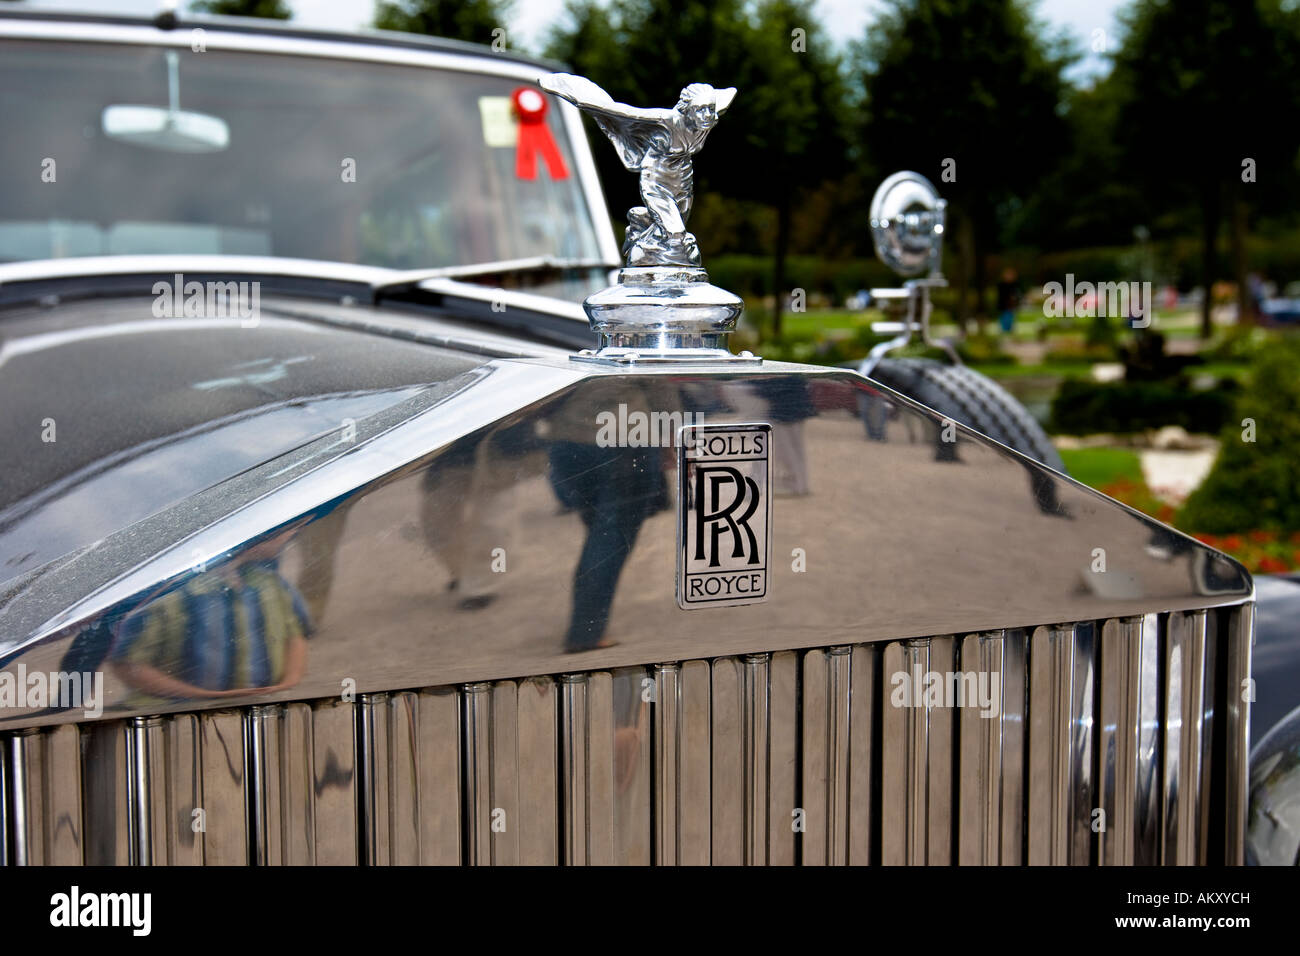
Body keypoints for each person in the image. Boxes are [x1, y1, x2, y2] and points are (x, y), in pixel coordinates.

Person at [996, 268, 1021, 333]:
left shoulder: (1014, 285)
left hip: (1011, 306)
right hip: (1004, 306)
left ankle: (1009, 330)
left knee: (1010, 319)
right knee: (1005, 319)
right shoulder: (1001, 285)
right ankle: (1005, 330)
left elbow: (1016, 295)